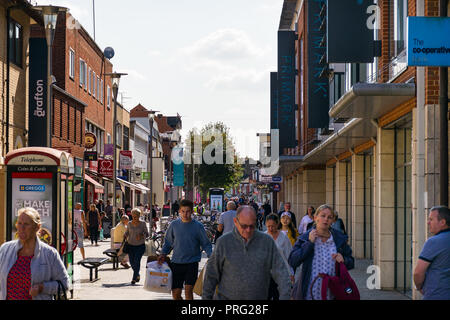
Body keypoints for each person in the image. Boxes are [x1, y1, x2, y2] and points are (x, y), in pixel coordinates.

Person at [202, 205, 291, 300]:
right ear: (236, 222)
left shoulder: (266, 242)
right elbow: (211, 275)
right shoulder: (224, 243)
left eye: (252, 226)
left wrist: (285, 296)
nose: (248, 230)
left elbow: (281, 273)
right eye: (244, 226)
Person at [0, 207, 69, 300]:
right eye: (19, 223)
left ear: (37, 227)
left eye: (26, 224)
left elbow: (65, 284)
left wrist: (42, 287)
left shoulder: (49, 254)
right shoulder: (5, 249)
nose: (22, 228)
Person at [288, 204, 355, 300]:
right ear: (315, 218)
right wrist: (309, 243)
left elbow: (351, 262)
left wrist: (344, 260)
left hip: (332, 293)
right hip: (308, 294)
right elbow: (292, 261)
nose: (326, 219)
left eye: (329, 217)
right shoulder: (305, 238)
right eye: (323, 216)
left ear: (332, 221)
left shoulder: (339, 239)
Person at [158, 199, 212, 300]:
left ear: (192, 212)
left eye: (187, 211)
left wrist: (211, 256)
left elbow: (206, 244)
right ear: (179, 211)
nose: (185, 214)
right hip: (176, 263)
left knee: (188, 291)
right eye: (183, 211)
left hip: (192, 263)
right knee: (176, 294)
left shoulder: (198, 226)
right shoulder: (174, 225)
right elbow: (168, 242)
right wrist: (163, 254)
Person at [413, 205, 450, 300]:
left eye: (431, 219)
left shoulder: (434, 242)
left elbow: (418, 272)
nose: (428, 222)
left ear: (442, 222)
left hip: (436, 294)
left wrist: (419, 287)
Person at [265, 214, 294, 300]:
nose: (270, 228)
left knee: (279, 296)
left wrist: (291, 273)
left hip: (280, 274)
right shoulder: (263, 237)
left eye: (273, 226)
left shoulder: (283, 237)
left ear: (277, 224)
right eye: (268, 226)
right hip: (266, 274)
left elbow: (289, 256)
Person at [124, 208, 149, 284]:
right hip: (131, 245)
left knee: (137, 261)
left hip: (140, 246)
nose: (135, 218)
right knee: (132, 262)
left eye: (136, 216)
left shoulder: (143, 223)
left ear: (139, 216)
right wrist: (125, 235)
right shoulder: (129, 223)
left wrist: (142, 235)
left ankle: (134, 278)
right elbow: (127, 232)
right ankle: (137, 274)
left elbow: (147, 234)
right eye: (133, 216)